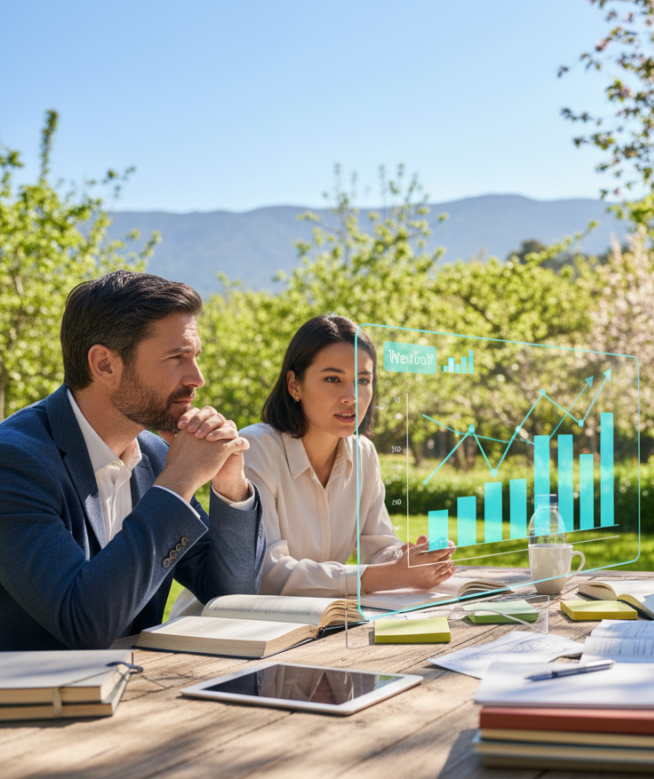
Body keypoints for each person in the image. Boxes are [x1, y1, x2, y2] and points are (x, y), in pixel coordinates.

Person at [0, 271, 266, 651]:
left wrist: (229, 486)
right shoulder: (13, 462)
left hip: (140, 695)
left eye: (195, 357)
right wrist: (178, 482)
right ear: (105, 364)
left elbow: (233, 595)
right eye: (177, 357)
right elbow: (83, 623)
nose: (198, 378)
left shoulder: (155, 455)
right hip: (38, 705)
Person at [238, 315, 454, 598]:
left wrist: (409, 557)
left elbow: (378, 546)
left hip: (314, 626)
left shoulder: (363, 453)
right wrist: (387, 575)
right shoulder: (256, 448)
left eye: (363, 381)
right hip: (233, 628)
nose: (351, 396)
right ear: (294, 385)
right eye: (332, 379)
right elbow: (268, 574)